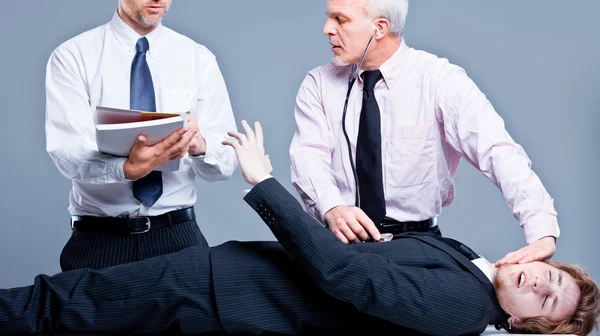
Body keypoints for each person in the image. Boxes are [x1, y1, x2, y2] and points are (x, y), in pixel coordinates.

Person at [2, 122, 598, 336]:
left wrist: (261, 182)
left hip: (220, 295)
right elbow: (369, 261)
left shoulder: (464, 308)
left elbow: (343, 277)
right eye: (548, 274)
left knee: (58, 306)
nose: (536, 280)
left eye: (544, 298)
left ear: (526, 324)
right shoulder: (469, 263)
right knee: (67, 307)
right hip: (225, 283)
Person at [290, 0, 558, 265]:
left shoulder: (439, 80)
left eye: (340, 19)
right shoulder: (318, 83)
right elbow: (308, 157)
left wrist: (541, 229)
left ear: (379, 28)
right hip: (336, 244)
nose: (327, 28)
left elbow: (497, 151)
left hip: (417, 247)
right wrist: (332, 209)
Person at [45, 0, 237, 271]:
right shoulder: (73, 57)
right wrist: (127, 169)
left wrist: (200, 145)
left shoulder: (198, 59)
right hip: (99, 243)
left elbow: (225, 164)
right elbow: (66, 152)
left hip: (178, 237)